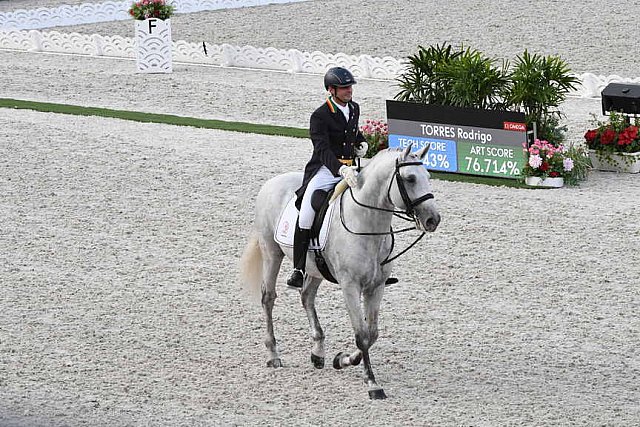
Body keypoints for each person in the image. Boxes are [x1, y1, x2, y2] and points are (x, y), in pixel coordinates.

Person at [287, 67, 369, 289]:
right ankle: (299, 268)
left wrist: (361, 143)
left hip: (351, 167)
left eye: (350, 87)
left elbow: (352, 132)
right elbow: (322, 149)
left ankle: (376, 263)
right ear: (331, 90)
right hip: (325, 170)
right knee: (305, 213)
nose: (349, 91)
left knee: (374, 200)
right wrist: (340, 169)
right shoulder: (320, 116)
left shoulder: (354, 108)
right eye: (344, 88)